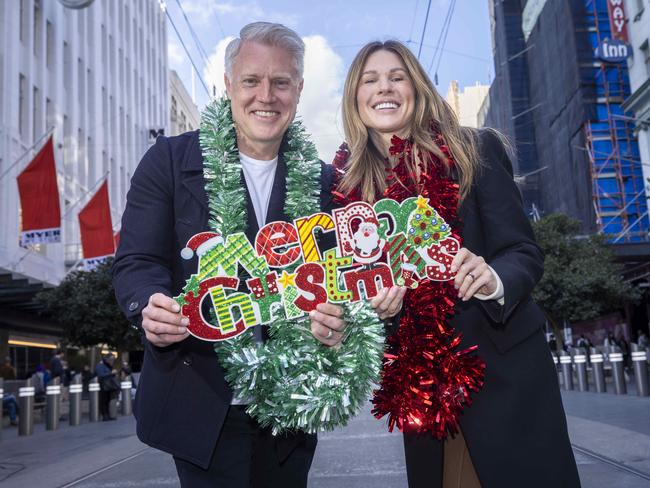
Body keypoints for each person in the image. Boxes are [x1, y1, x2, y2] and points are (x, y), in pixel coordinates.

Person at [112, 22, 403, 488]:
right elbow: (136, 262)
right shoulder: (167, 161)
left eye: (280, 82)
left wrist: (344, 319)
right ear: (229, 85)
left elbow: (349, 282)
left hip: (292, 406)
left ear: (299, 89)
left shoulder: (329, 184)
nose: (265, 95)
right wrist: (148, 304)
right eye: (251, 80)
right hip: (200, 399)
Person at [316, 40, 580, 487]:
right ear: (355, 97)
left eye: (397, 77)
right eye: (371, 79)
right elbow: (348, 296)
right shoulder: (346, 194)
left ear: (416, 88)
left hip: (503, 373)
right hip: (422, 390)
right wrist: (372, 311)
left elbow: (523, 252)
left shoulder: (473, 150)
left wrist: (493, 277)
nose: (386, 88)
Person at [95, 353, 119, 421]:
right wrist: (111, 373)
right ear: (106, 359)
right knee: (104, 401)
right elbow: (101, 375)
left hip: (108, 386)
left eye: (113, 359)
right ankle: (105, 415)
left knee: (108, 400)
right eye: (111, 359)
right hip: (103, 386)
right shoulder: (100, 365)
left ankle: (108, 415)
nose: (112, 361)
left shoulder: (107, 365)